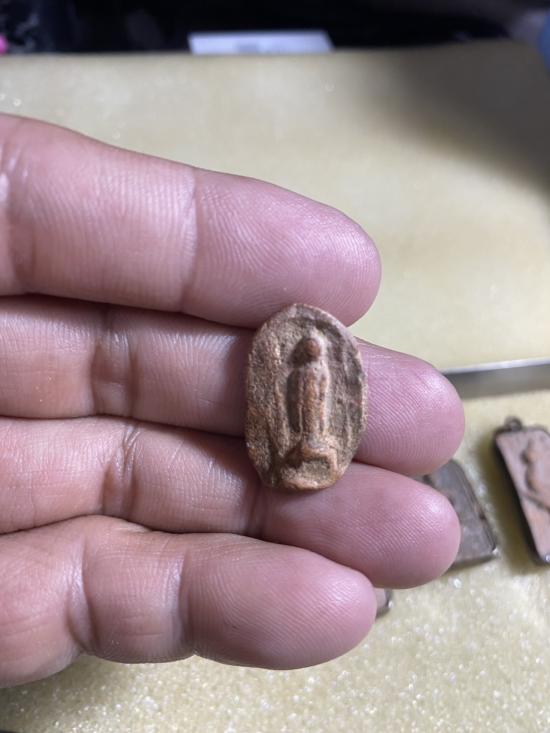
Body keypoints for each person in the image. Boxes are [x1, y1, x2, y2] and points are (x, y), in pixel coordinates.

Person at [0, 113, 464, 689]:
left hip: (311, 417)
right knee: (303, 425)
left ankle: (309, 447)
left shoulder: (320, 367)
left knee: (315, 427)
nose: (311, 350)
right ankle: (303, 447)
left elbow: (323, 391)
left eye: (314, 349)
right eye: (308, 348)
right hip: (294, 414)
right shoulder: (294, 365)